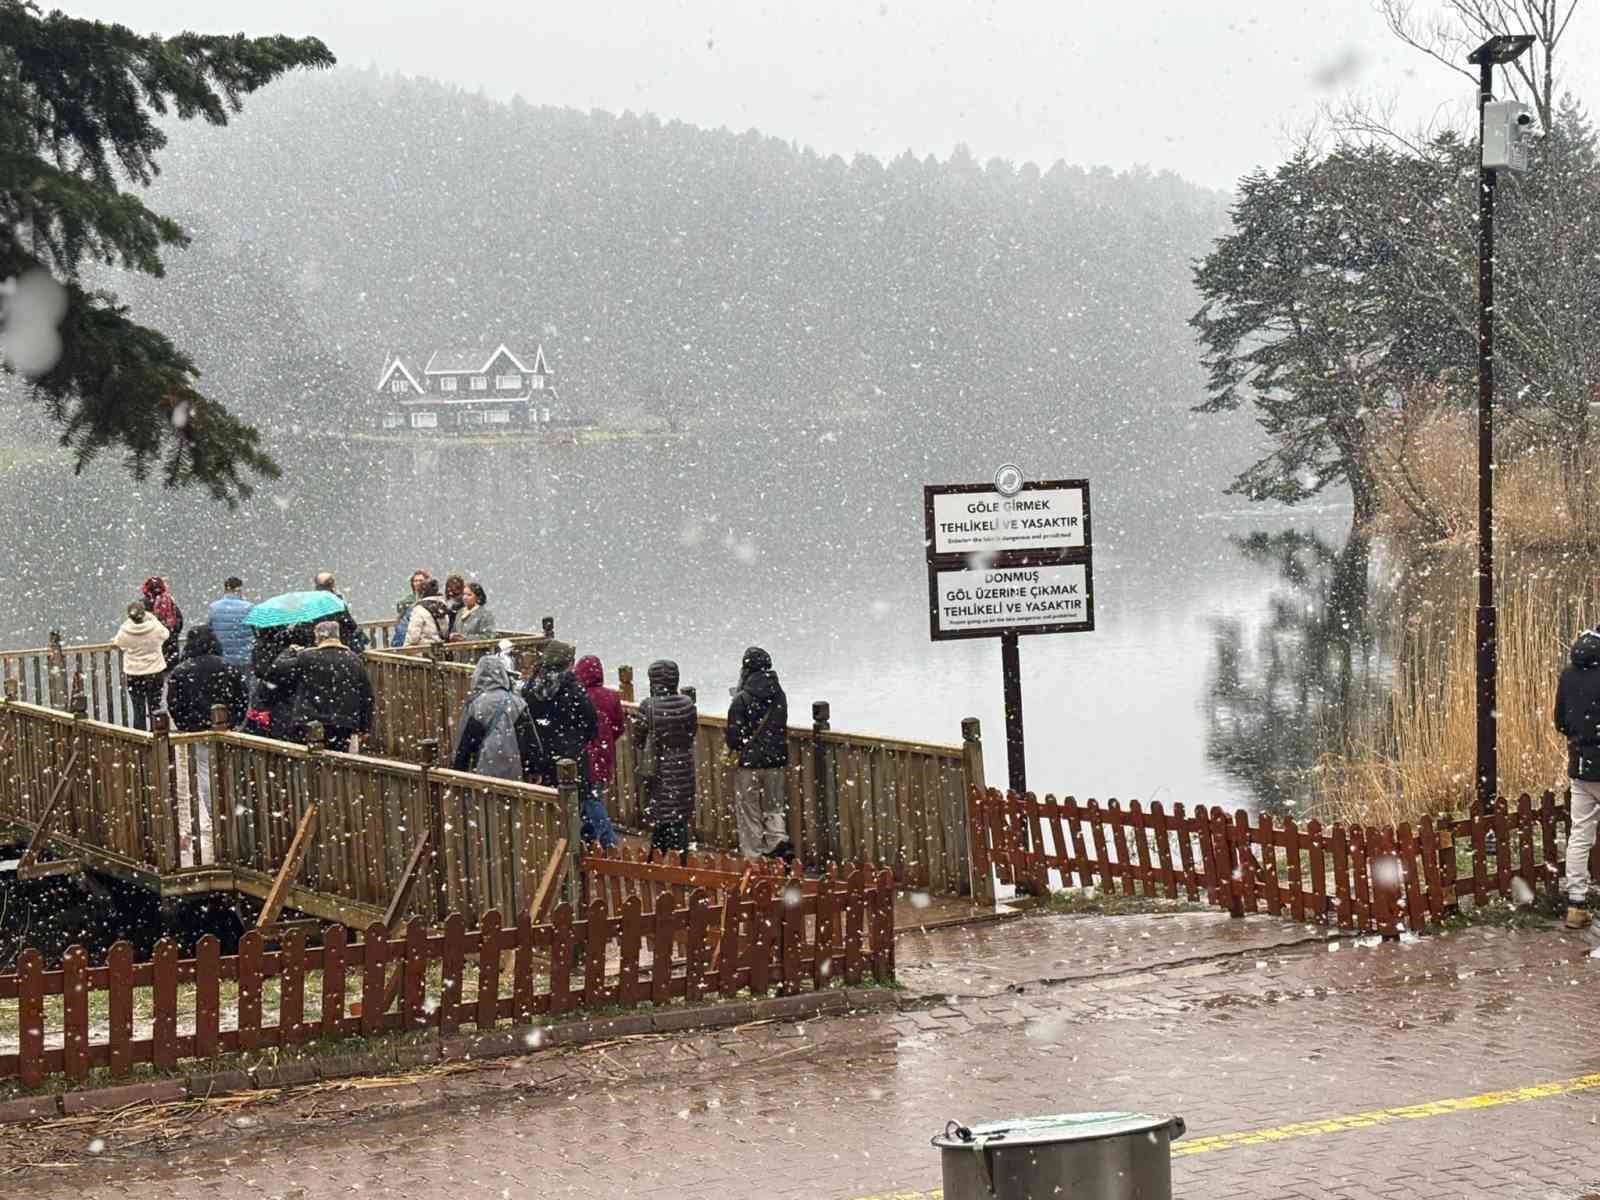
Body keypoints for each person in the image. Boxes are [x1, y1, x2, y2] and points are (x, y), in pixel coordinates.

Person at [166, 625, 248, 865]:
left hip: (196, 730)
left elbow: (174, 703)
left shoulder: (181, 671)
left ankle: (214, 809)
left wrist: (185, 725)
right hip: (225, 729)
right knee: (228, 765)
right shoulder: (228, 666)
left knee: (203, 769)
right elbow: (242, 697)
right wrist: (233, 720)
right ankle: (231, 806)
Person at [726, 646, 791, 860]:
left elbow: (734, 738)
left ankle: (754, 854)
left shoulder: (741, 699)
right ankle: (778, 841)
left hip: (749, 764)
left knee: (749, 809)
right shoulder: (779, 694)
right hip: (776, 761)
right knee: (774, 805)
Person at [629, 659, 697, 858]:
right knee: (680, 815)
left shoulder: (648, 706)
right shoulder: (687, 703)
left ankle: (658, 858)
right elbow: (691, 732)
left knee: (663, 814)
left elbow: (638, 739)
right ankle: (681, 860)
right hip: (684, 765)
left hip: (659, 766)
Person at [1555, 628, 1600, 929]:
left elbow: (1559, 721)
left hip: (1581, 767)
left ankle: (1576, 904)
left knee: (1580, 835)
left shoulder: (1568, 675)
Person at [280, 619, 374, 752]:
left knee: (308, 762)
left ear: (318, 638)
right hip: (343, 723)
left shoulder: (307, 656)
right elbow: (367, 696)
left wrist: (289, 652)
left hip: (309, 721)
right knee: (339, 764)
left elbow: (276, 670)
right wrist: (365, 727)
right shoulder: (354, 659)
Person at [521, 640, 597, 788]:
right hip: (571, 759)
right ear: (568, 664)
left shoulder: (530, 689)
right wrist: (576, 740)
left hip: (540, 758)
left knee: (545, 804)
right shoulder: (574, 690)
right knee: (580, 800)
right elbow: (591, 724)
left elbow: (524, 725)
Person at [451, 655, 541, 782]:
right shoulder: (517, 703)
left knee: (485, 801)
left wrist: (458, 770)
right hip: (514, 770)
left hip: (484, 770)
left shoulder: (476, 704)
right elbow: (529, 740)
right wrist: (534, 769)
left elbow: (466, 743)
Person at [574, 654, 622, 849]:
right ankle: (590, 837)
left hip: (585, 752)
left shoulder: (578, 695)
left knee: (589, 797)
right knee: (595, 794)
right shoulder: (611, 696)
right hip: (604, 751)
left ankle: (607, 840)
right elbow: (619, 725)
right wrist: (607, 739)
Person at [113, 601, 170, 730]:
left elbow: (118, 642)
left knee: (138, 709)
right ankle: (157, 735)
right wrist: (153, 618)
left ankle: (141, 740)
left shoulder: (125, 630)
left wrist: (127, 623)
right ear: (144, 614)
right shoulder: (154, 627)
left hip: (134, 673)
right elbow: (166, 634)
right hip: (154, 671)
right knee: (155, 707)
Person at [312, 570, 368, 652]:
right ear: (332, 585)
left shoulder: (311, 601)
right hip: (340, 642)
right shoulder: (335, 600)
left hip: (318, 644)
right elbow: (349, 623)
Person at [207, 577, 253, 672]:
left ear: (225, 589)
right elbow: (255, 631)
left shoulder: (214, 608)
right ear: (239, 589)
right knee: (245, 685)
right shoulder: (248, 607)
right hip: (244, 658)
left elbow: (208, 630)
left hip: (222, 658)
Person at [141, 575, 184, 668]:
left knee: (153, 678)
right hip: (171, 649)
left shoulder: (142, 605)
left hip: (151, 653)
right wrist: (172, 636)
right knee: (170, 678)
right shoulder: (169, 602)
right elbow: (179, 623)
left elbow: (138, 627)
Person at [402, 576, 450, 647]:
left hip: (424, 650)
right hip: (442, 647)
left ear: (421, 592)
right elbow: (446, 630)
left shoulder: (419, 609)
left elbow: (413, 636)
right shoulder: (443, 606)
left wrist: (405, 648)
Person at [392, 569, 431, 648]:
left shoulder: (430, 599)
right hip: (407, 634)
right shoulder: (407, 601)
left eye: (420, 580)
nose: (417, 583)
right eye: (415, 581)